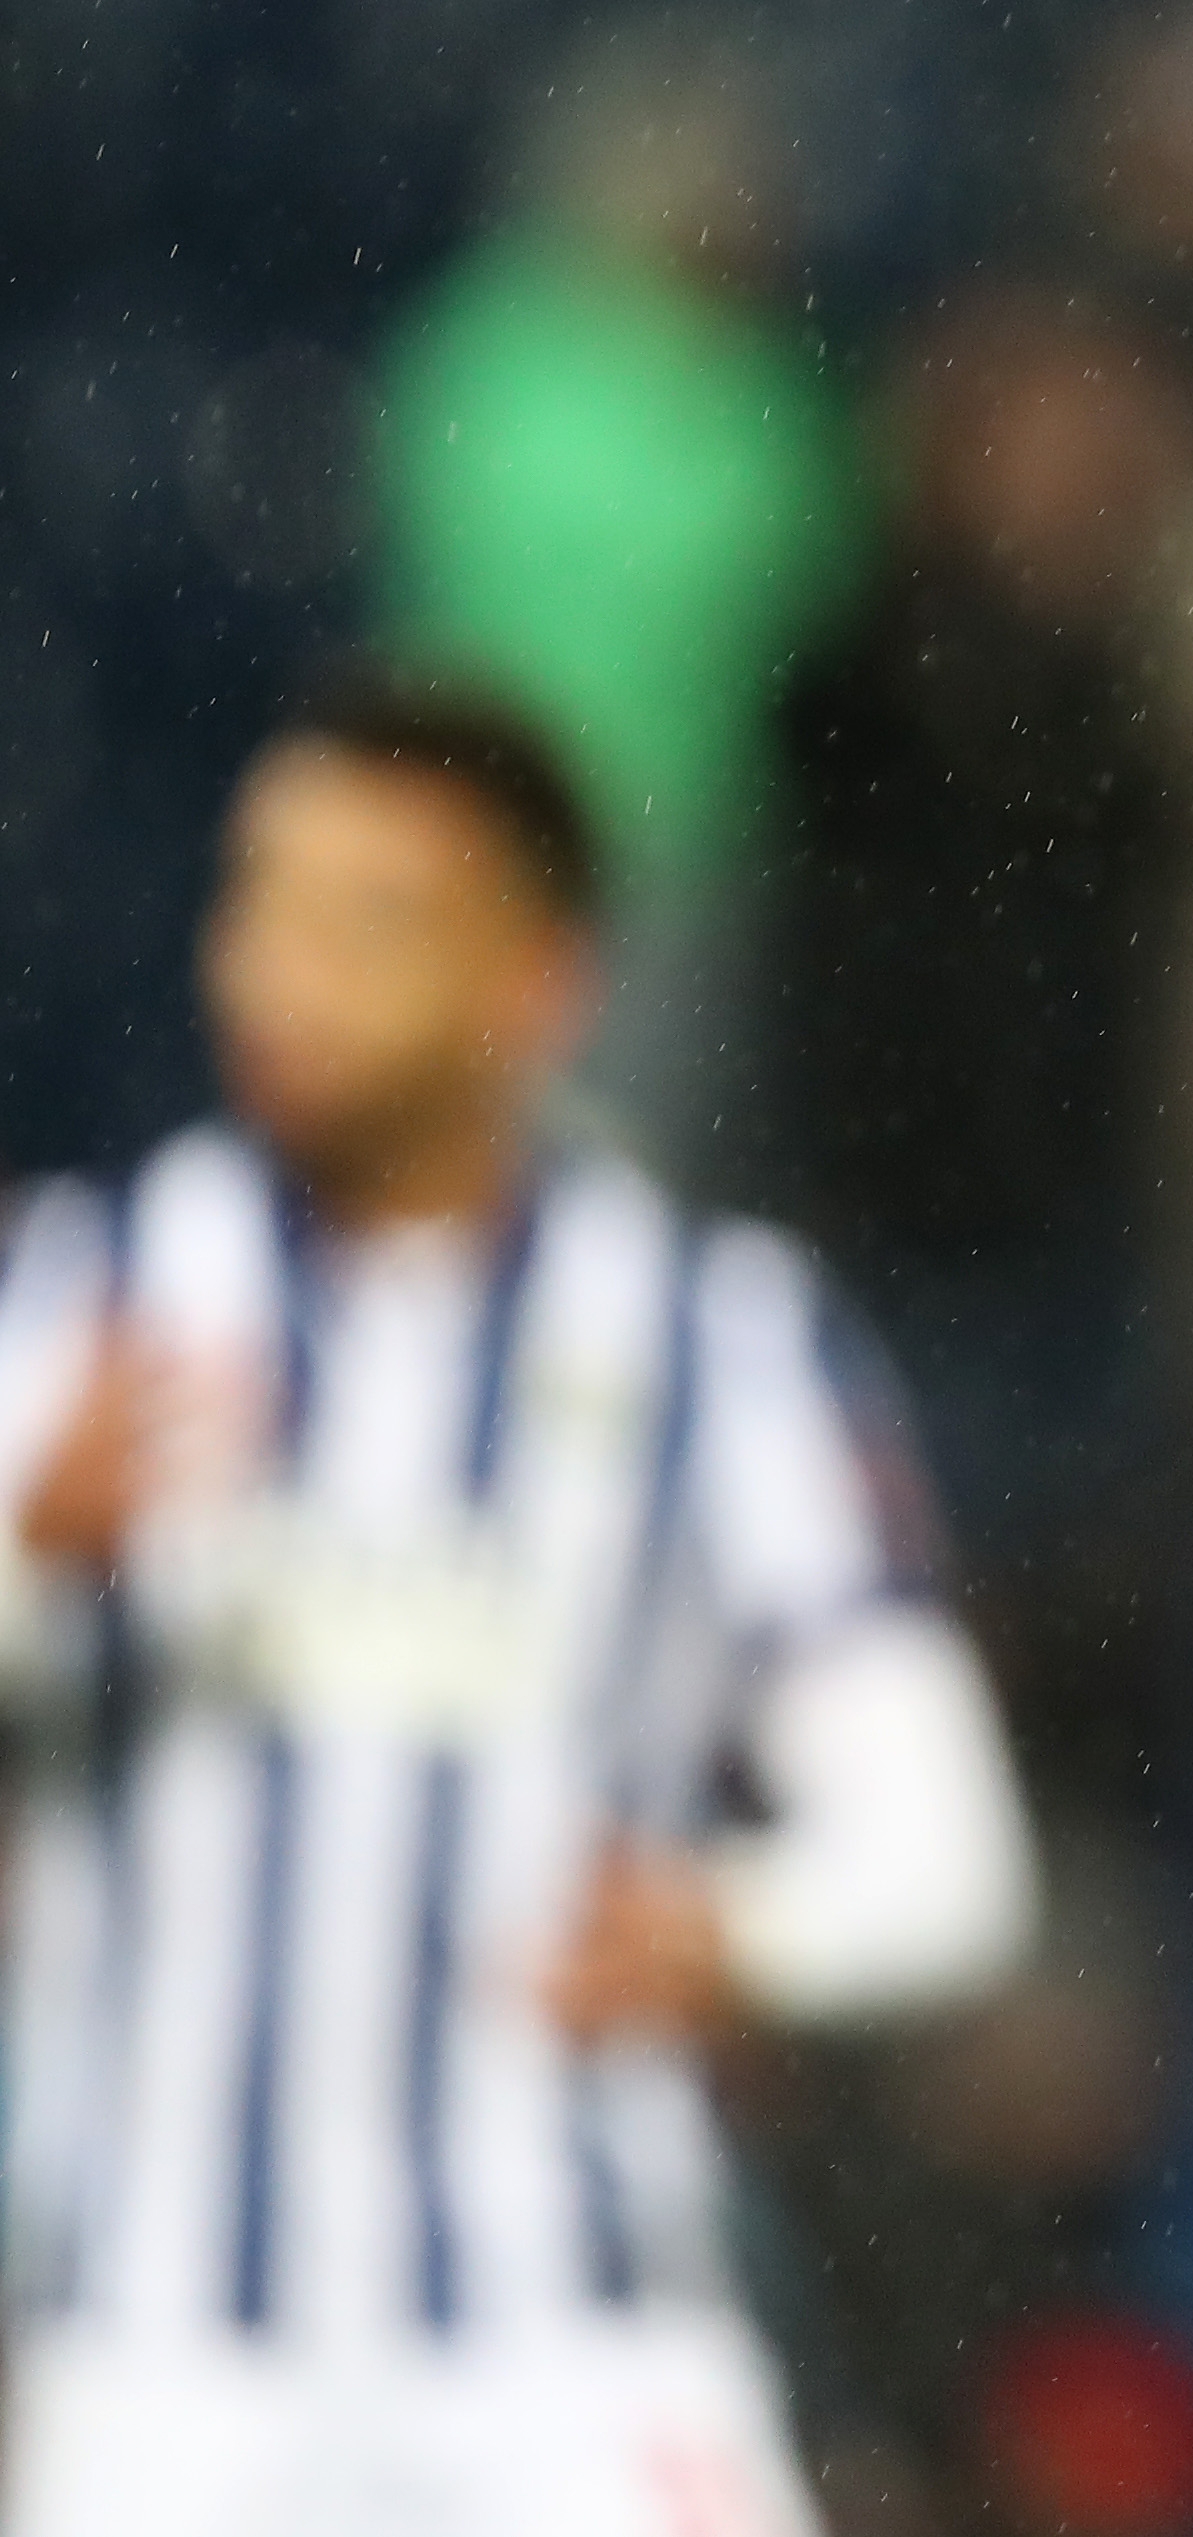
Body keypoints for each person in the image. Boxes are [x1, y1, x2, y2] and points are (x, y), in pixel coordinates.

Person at [0, 685, 1038, 2537]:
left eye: (369, 918)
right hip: (158, 2355)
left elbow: (946, 1855)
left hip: (567, 2338)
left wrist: (746, 1931)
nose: (280, 969)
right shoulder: (79, 1297)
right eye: (261, 899)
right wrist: (20, 1548)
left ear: (536, 984)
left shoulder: (716, 1339)